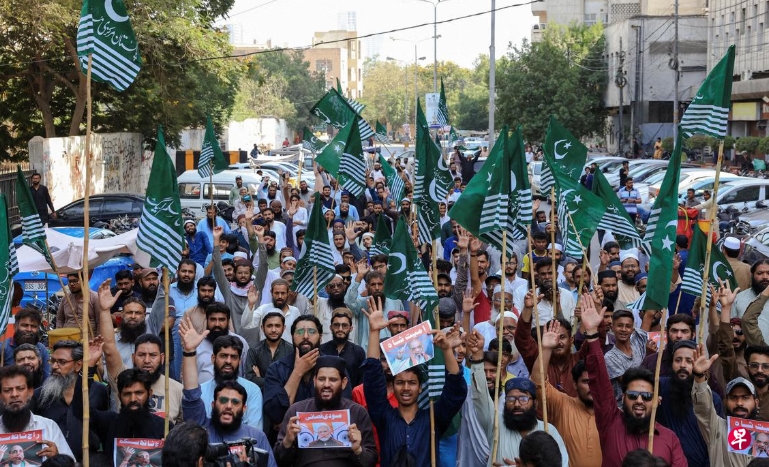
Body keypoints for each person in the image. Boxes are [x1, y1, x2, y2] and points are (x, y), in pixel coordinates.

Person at [580, 296, 687, 466]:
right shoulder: (610, 423)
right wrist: (593, 335)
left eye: (646, 396)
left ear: (657, 400)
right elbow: (600, 384)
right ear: (623, 398)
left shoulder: (670, 439)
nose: (639, 400)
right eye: (632, 395)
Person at [362, 297, 467, 467]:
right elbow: (373, 381)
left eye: (412, 382)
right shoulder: (384, 417)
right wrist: (374, 332)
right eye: (400, 382)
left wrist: (447, 350)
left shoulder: (433, 419)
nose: (406, 388)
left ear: (420, 388)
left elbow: (455, 392)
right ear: (393, 387)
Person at [179, 319, 278, 467]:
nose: (229, 406)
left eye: (235, 402)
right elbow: (192, 395)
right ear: (213, 405)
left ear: (244, 408)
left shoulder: (256, 437)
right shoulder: (202, 431)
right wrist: (189, 351)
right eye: (223, 400)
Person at [274, 355, 377, 467]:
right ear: (314, 381)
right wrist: (287, 442)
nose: (326, 384)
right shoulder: (296, 411)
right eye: (321, 379)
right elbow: (279, 461)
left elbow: (370, 461)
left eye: (333, 380)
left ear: (343, 383)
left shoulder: (358, 412)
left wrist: (358, 450)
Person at [531, 320, 601, 467]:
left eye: (595, 382)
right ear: (575, 384)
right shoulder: (563, 405)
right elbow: (537, 382)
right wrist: (546, 349)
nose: (592, 387)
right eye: (586, 382)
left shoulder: (610, 413)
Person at [32, 340, 110, 461]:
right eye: (53, 361)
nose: (54, 366)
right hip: (53, 462)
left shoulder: (99, 390)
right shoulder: (40, 394)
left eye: (62, 362)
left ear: (78, 365)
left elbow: (105, 428)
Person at [0, 366, 72, 460]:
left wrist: (57, 458)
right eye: (7, 390)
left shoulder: (49, 427)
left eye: (20, 389)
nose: (14, 394)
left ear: (30, 392)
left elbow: (71, 463)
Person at [244, 312, 294, 390]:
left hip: (285, 396)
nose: (273, 330)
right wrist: (280, 382)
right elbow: (250, 379)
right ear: (262, 328)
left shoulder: (291, 350)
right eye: (269, 326)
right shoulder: (254, 350)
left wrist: (260, 379)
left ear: (283, 328)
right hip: (261, 396)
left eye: (277, 326)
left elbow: (293, 379)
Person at [319, 309, 366, 388]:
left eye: (344, 325)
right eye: (336, 325)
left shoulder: (358, 351)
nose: (340, 329)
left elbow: (361, 381)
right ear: (331, 327)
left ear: (351, 328)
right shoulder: (322, 349)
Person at [1, 308, 51, 380]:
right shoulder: (3, 348)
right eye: (24, 325)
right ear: (15, 327)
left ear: (38, 329)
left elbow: (47, 379)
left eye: (33, 326)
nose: (29, 329)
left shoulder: (42, 349)